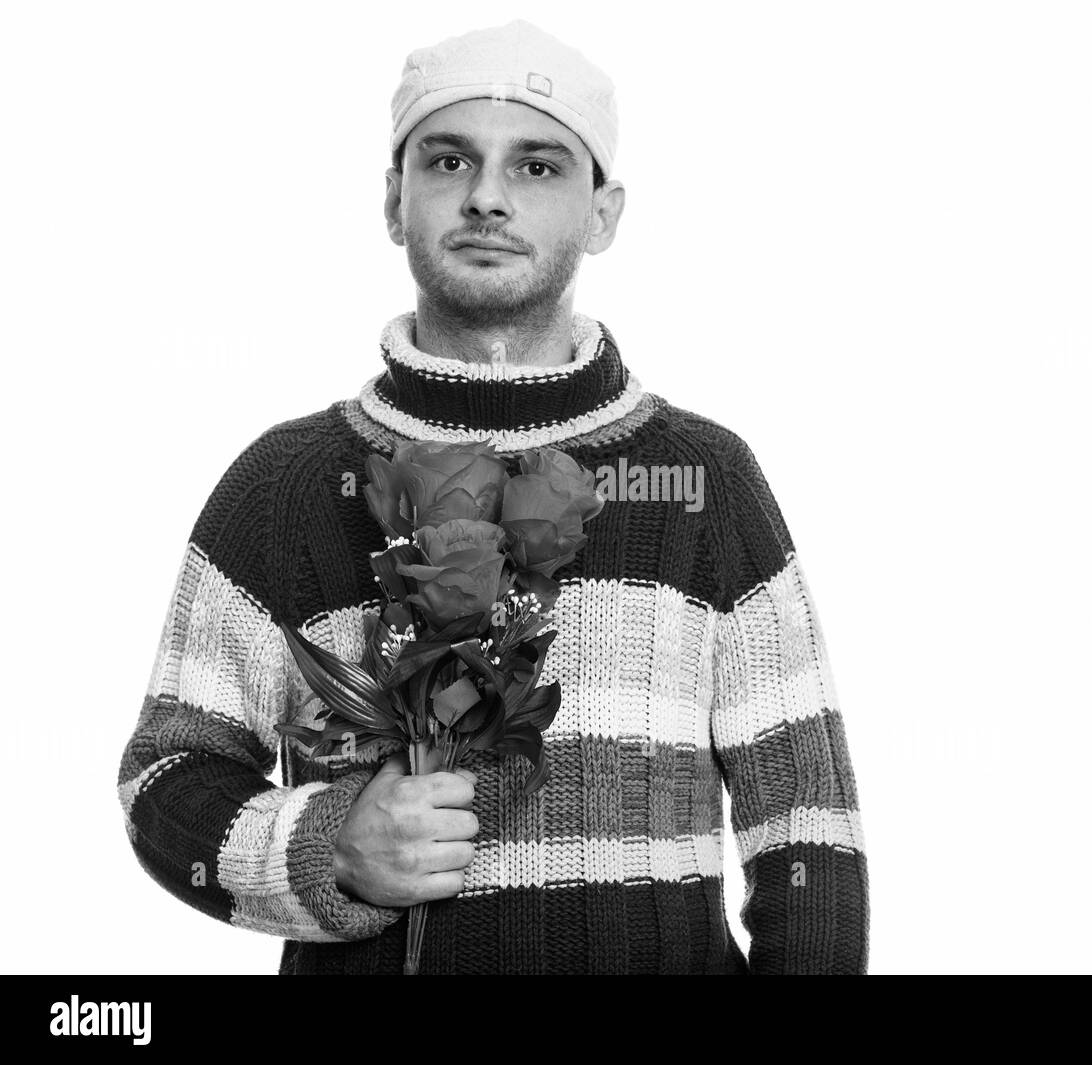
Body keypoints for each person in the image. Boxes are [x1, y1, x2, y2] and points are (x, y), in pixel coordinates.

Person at [117, 18, 870, 975]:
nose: (485, 197)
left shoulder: (707, 482)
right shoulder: (285, 484)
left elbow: (808, 826)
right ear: (395, 200)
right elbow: (166, 778)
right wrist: (329, 847)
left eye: (539, 167)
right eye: (447, 160)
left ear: (604, 214)